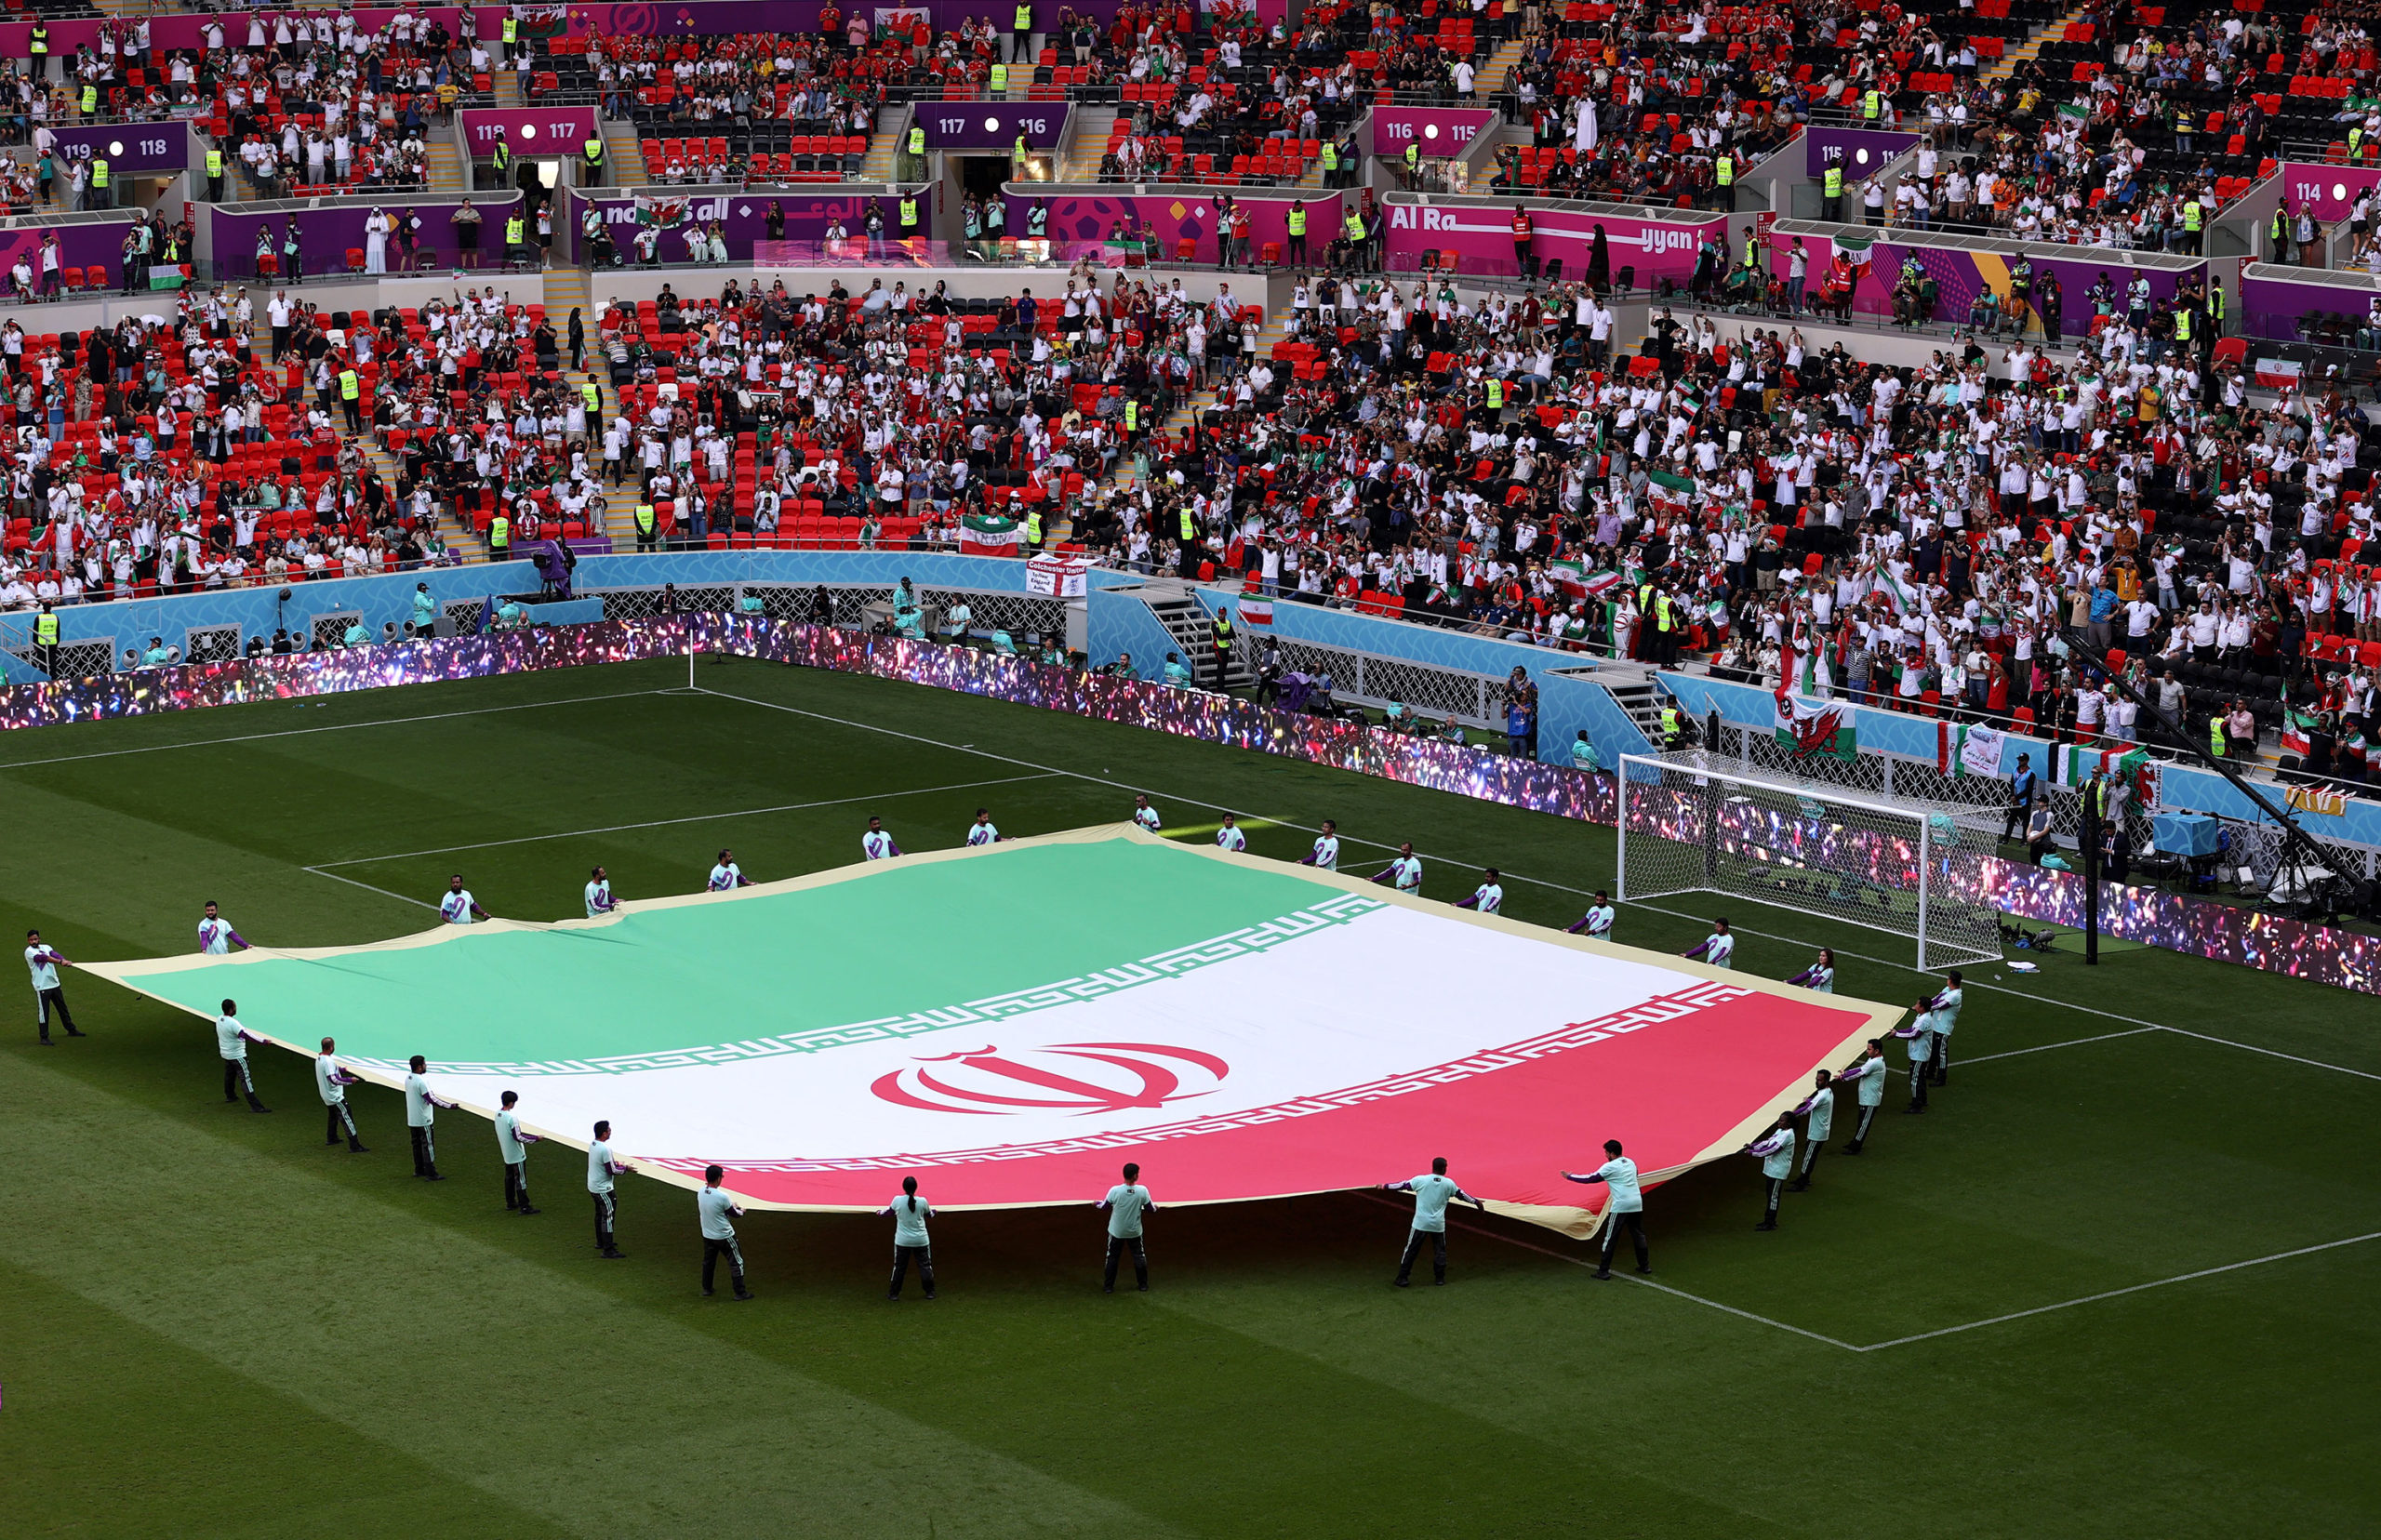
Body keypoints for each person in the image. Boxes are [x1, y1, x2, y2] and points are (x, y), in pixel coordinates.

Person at [1384, 1156, 1484, 1287]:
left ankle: (1402, 1277)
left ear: (1433, 1167)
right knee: (1440, 1251)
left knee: (1411, 1250)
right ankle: (1439, 1279)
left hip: (1420, 1223)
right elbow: (1462, 1195)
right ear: (1443, 1168)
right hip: (1438, 1224)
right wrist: (1476, 1202)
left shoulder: (1421, 1180)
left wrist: (1385, 1186)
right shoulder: (1448, 1184)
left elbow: (1402, 1185)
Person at [1562, 1139, 1650, 1278]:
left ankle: (1603, 1271)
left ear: (1612, 1154)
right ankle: (1645, 1266)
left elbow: (1591, 1178)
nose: (1605, 1155)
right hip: (1637, 1203)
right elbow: (1634, 1177)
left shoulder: (1610, 1167)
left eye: (1606, 1153)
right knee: (1638, 1234)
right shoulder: (1631, 1163)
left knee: (1610, 1238)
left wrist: (1570, 1177)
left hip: (1621, 1206)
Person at [1096, 1161, 1154, 1292]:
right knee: (1139, 1256)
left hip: (1117, 1231)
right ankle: (1143, 1285)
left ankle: (1108, 1286)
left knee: (1112, 1257)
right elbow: (1150, 1209)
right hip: (1134, 1231)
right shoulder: (1142, 1191)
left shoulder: (1115, 1191)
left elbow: (1104, 1206)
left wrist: (1096, 1203)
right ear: (1135, 1176)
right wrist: (1156, 1207)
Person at [698, 1164, 754, 1299]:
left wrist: (730, 1207)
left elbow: (718, 1209)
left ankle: (707, 1288)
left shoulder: (701, 1191)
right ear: (718, 1178)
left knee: (709, 1262)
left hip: (708, 1234)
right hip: (724, 1235)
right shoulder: (722, 1196)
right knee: (736, 1262)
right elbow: (735, 1214)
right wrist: (742, 1210)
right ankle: (740, 1292)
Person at [883, 1175, 936, 1300]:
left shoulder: (897, 1200)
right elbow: (930, 1215)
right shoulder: (922, 1201)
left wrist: (879, 1212)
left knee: (899, 1267)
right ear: (916, 1187)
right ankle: (930, 1292)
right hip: (921, 1240)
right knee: (925, 1266)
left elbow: (888, 1213)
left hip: (903, 1241)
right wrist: (935, 1211)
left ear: (904, 1187)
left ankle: (893, 1293)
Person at [215, 998, 273, 1112]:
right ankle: (256, 1106)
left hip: (226, 1054)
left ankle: (230, 1096)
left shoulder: (219, 1019)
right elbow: (246, 1035)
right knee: (245, 1079)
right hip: (237, 1055)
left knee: (229, 1076)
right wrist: (263, 1041)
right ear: (231, 1010)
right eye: (234, 1007)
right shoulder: (233, 1023)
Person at [404, 1054, 456, 1180]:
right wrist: (450, 1106)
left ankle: (419, 1169)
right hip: (424, 1119)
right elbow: (431, 1099)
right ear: (419, 1067)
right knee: (428, 1145)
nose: (426, 1066)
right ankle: (431, 1172)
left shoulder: (408, 1078)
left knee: (416, 1145)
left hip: (412, 1119)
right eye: (424, 1064)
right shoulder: (421, 1081)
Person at [1835, 1039, 1891, 1155]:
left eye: (1869, 1049)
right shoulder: (1873, 1060)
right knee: (1861, 1122)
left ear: (1876, 1051)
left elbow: (1860, 1072)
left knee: (1864, 1124)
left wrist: (1843, 1077)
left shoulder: (1875, 1063)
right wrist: (1846, 1073)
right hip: (1866, 1098)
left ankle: (1855, 1147)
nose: (1867, 1051)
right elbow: (1861, 1068)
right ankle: (1854, 1142)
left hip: (1871, 1099)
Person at [26, 928, 81, 1043]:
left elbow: (53, 954)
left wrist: (63, 959)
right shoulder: (29, 952)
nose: (34, 942)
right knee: (44, 1013)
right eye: (31, 940)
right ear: (28, 941)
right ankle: (44, 1037)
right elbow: (43, 958)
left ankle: (71, 1029)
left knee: (62, 1008)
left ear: (39, 939)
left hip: (54, 983)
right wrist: (61, 962)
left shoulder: (46, 947)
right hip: (42, 986)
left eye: (35, 939)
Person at [1744, 1110, 1796, 1229]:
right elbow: (1767, 1142)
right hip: (1772, 1169)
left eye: (1782, 1120)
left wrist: (1752, 1153)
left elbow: (1772, 1149)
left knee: (1773, 1197)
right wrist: (1753, 1146)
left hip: (1778, 1171)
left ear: (1789, 1123)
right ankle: (1768, 1220)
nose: (1779, 1122)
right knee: (1770, 1195)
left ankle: (1770, 1222)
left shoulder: (1788, 1135)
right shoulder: (1781, 1131)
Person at [315, 1036, 367, 1152]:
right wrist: (350, 1080)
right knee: (347, 1117)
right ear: (331, 1047)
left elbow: (329, 1069)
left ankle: (332, 1138)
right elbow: (334, 1079)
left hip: (326, 1095)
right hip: (335, 1097)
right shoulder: (328, 1061)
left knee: (333, 1116)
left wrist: (340, 1070)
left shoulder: (320, 1058)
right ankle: (355, 1145)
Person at [1786, 1069, 1834, 1191]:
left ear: (1826, 1081)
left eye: (1819, 1080)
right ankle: (1804, 1178)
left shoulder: (1822, 1096)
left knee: (1808, 1157)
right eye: (1817, 1079)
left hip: (1816, 1133)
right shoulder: (1826, 1093)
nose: (1817, 1082)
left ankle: (1801, 1183)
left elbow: (1807, 1109)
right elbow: (1813, 1103)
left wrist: (1791, 1115)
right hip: (1820, 1131)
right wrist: (1809, 1101)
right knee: (1811, 1156)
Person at [497, 1089, 541, 1213]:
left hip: (506, 1152)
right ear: (511, 1103)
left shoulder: (498, 1114)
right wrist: (536, 1138)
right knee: (521, 1180)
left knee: (509, 1178)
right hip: (516, 1154)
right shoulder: (512, 1118)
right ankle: (524, 1205)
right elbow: (519, 1136)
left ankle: (510, 1202)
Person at [589, 1119, 628, 1258]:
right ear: (604, 1133)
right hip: (603, 1188)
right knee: (608, 1216)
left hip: (593, 1186)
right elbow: (612, 1170)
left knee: (599, 1214)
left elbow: (604, 1164)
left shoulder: (593, 1145)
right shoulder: (605, 1149)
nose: (610, 1131)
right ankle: (608, 1249)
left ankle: (601, 1241)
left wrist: (617, 1164)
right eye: (609, 1130)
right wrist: (625, 1168)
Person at [1921, 970, 1963, 1084]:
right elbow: (1936, 999)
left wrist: (1925, 1007)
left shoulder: (1955, 996)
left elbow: (1941, 1005)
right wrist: (1927, 1004)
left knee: (1941, 1053)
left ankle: (1941, 1077)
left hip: (1943, 1028)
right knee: (1934, 1051)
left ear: (1950, 980)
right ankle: (1930, 1072)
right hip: (1936, 1026)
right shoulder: (1947, 990)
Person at [1894, 1000, 1935, 1111]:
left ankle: (1917, 1105)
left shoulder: (1924, 1020)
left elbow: (1914, 1034)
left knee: (1915, 1079)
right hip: (1919, 1054)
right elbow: (1912, 1030)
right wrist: (1898, 1032)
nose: (1915, 1005)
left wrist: (1897, 1034)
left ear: (1922, 1007)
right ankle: (1922, 1099)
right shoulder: (1922, 1017)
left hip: (1919, 1055)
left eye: (1917, 1004)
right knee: (1920, 1078)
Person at [2002, 752, 2037, 843]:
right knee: (2011, 820)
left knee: (2025, 822)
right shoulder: (2015, 770)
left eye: (2022, 760)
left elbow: (2028, 790)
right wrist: (2012, 796)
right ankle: (2006, 838)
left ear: (2026, 761)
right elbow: (2012, 784)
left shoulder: (2031, 774)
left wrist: (2017, 797)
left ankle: (2024, 840)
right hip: (2015, 801)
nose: (2020, 762)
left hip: (2025, 801)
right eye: (2019, 760)